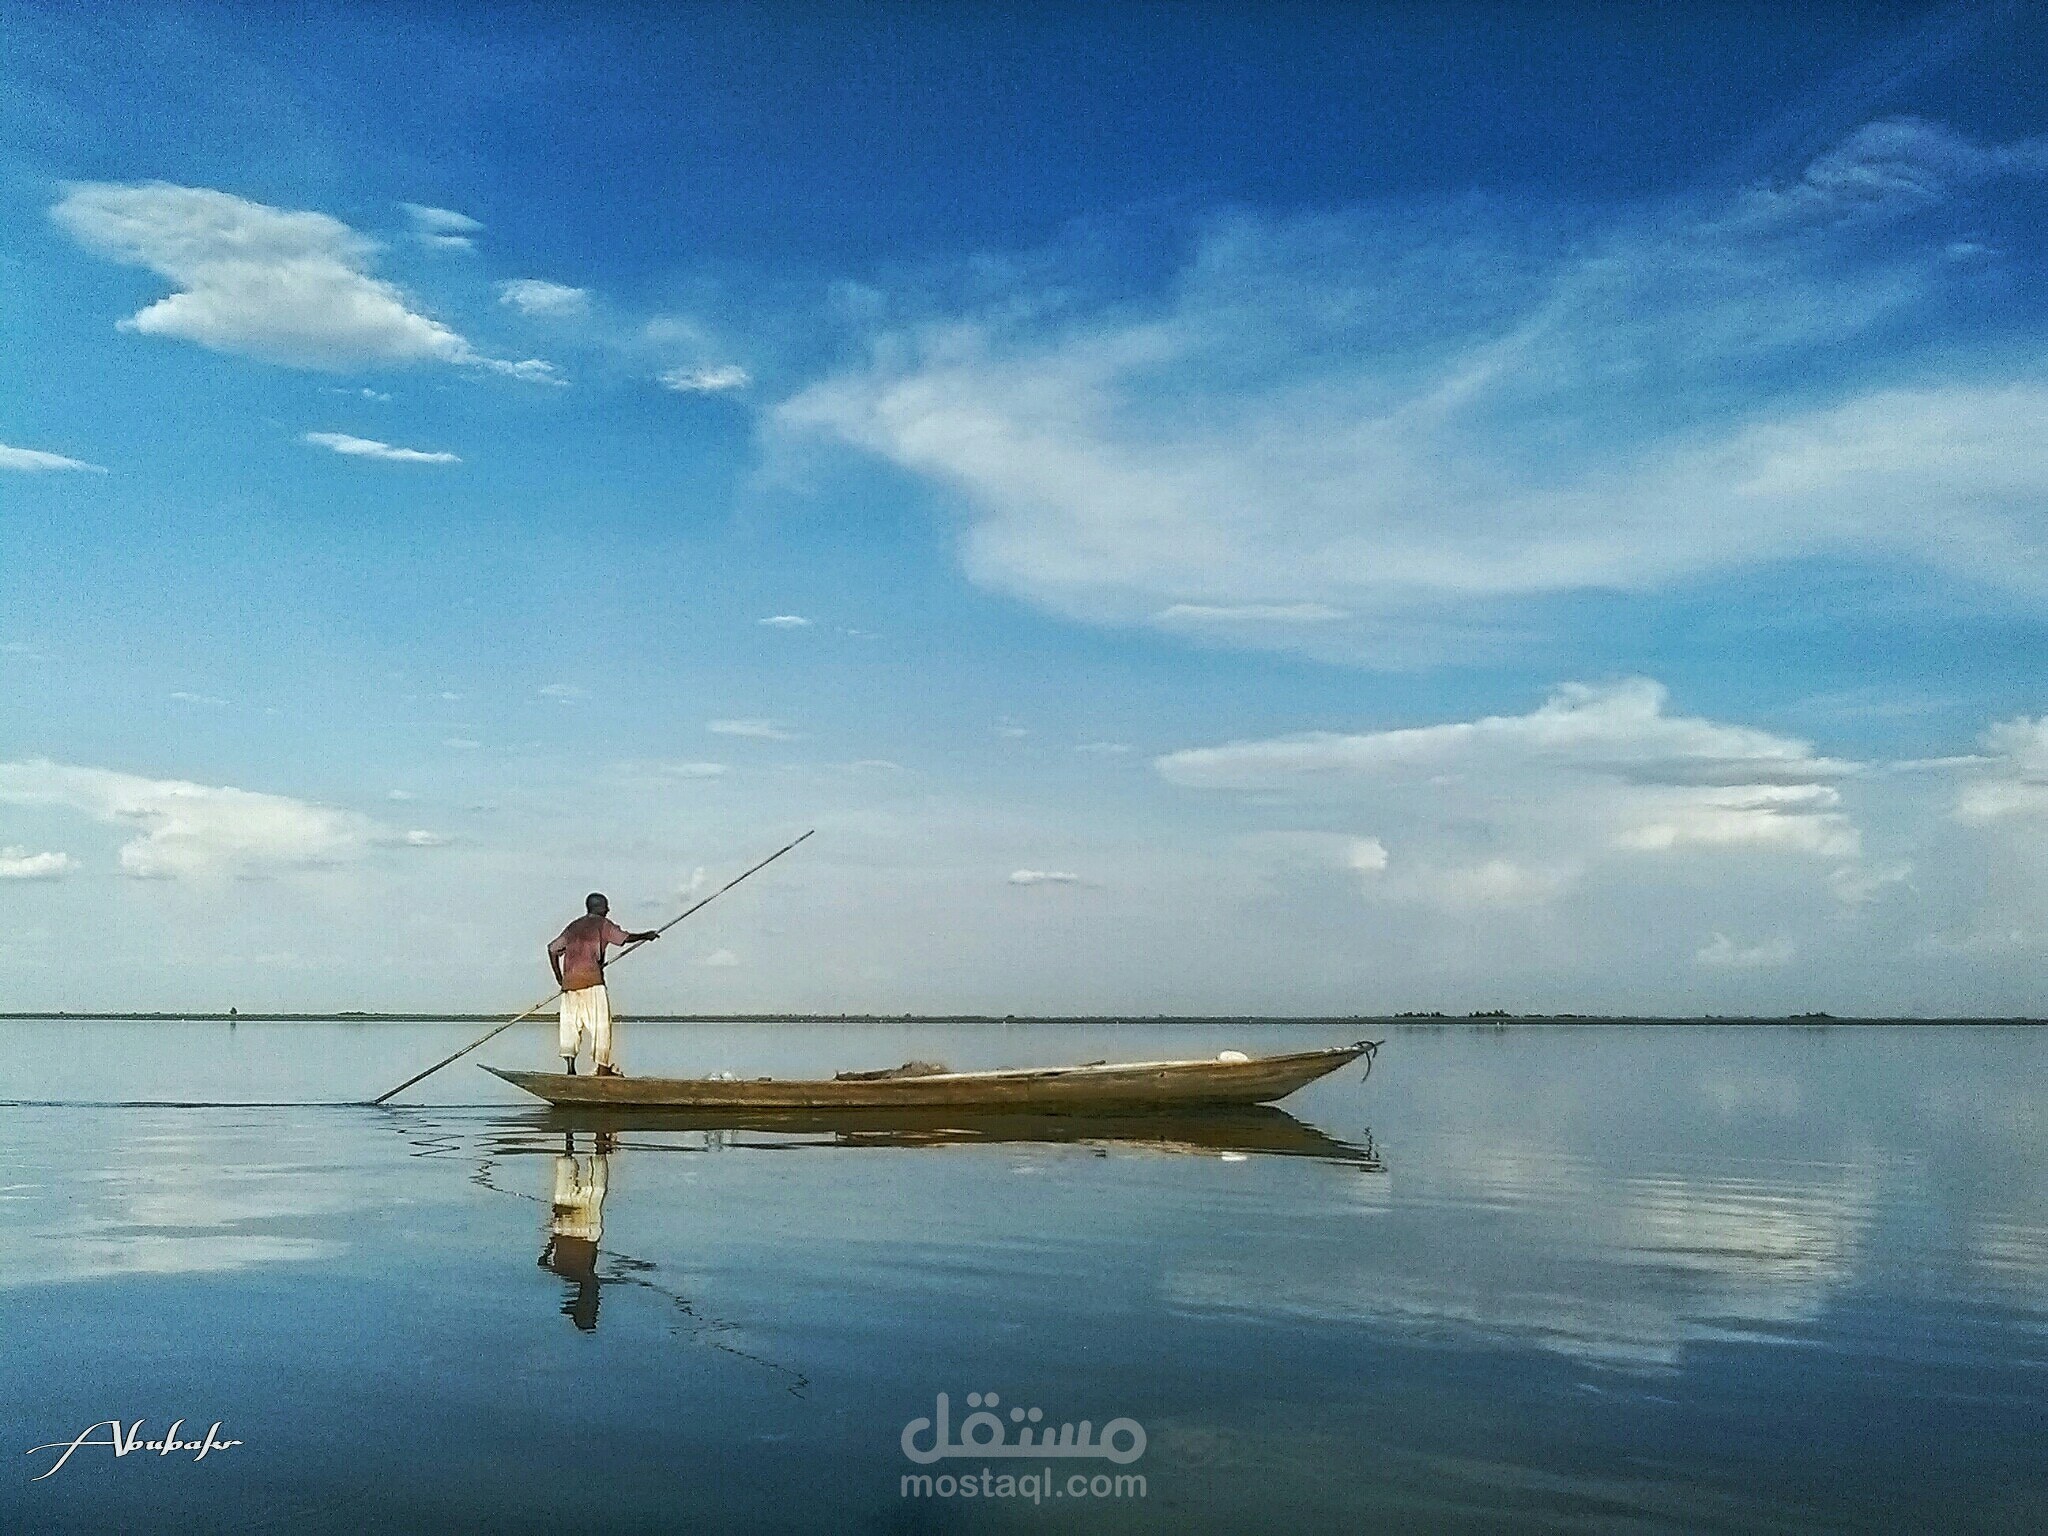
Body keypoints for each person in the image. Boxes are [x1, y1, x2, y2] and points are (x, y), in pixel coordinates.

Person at [547, 893, 658, 1075]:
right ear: (599, 908)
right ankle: (602, 1070)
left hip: (570, 985)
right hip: (592, 983)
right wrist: (646, 935)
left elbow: (551, 950)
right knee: (601, 1027)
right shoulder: (602, 924)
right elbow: (624, 937)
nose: (608, 910)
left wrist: (560, 978)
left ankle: (570, 1071)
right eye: (605, 907)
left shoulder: (573, 927)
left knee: (570, 1027)